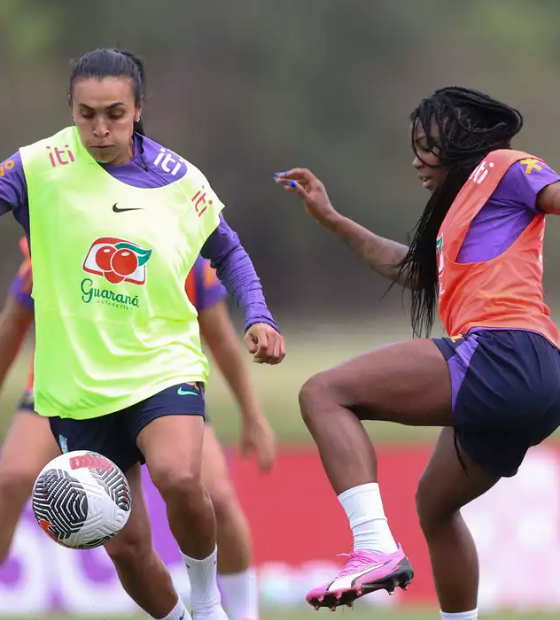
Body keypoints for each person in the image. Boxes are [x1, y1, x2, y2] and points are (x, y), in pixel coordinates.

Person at [0, 47, 285, 620]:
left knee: (181, 477)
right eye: (86, 115)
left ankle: (207, 603)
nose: (100, 128)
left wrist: (260, 315)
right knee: (128, 548)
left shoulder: (180, 181)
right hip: (75, 389)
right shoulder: (37, 166)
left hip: (163, 367)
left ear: (138, 110)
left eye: (114, 114)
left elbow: (228, 252)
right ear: (71, 110)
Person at [274, 86, 560, 620]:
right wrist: (332, 218)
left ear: (459, 142)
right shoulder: (462, 212)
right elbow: (411, 271)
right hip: (535, 378)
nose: (416, 159)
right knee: (435, 506)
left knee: (323, 392)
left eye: (427, 145)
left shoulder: (504, 164)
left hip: (505, 352)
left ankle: (374, 549)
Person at [0, 240, 273, 620]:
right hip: (69, 390)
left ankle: (243, 614)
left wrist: (252, 415)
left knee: (215, 494)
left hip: (161, 384)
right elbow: (10, 330)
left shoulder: (178, 245)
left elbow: (221, 338)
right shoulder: (54, 241)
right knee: (10, 479)